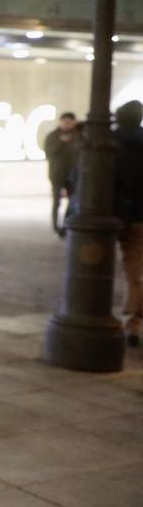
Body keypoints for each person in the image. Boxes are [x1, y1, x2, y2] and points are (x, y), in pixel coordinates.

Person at [114, 100, 143, 346]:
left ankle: (131, 322)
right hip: (138, 216)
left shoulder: (110, 143)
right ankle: (133, 322)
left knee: (133, 273)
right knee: (136, 273)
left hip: (120, 216)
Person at [45, 111, 82, 238]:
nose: (67, 125)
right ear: (60, 122)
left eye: (70, 122)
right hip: (57, 174)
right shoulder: (53, 136)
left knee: (73, 202)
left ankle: (66, 226)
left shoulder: (78, 136)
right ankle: (56, 227)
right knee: (56, 202)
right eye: (65, 122)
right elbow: (48, 153)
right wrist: (61, 142)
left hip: (73, 174)